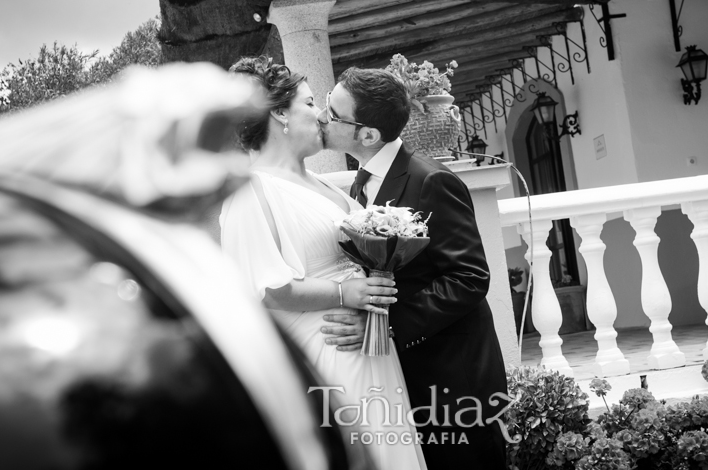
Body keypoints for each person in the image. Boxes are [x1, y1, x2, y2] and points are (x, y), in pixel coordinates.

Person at [218, 57, 427, 470]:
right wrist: (344, 292)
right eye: (310, 103)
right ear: (279, 112)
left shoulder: (324, 185)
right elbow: (267, 290)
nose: (320, 115)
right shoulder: (250, 190)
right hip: (326, 355)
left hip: (369, 346)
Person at [318, 67, 509, 470]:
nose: (321, 116)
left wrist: (386, 327)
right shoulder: (362, 182)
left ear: (367, 134)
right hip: (406, 377)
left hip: (453, 380)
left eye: (333, 113)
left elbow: (469, 277)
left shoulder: (431, 181)